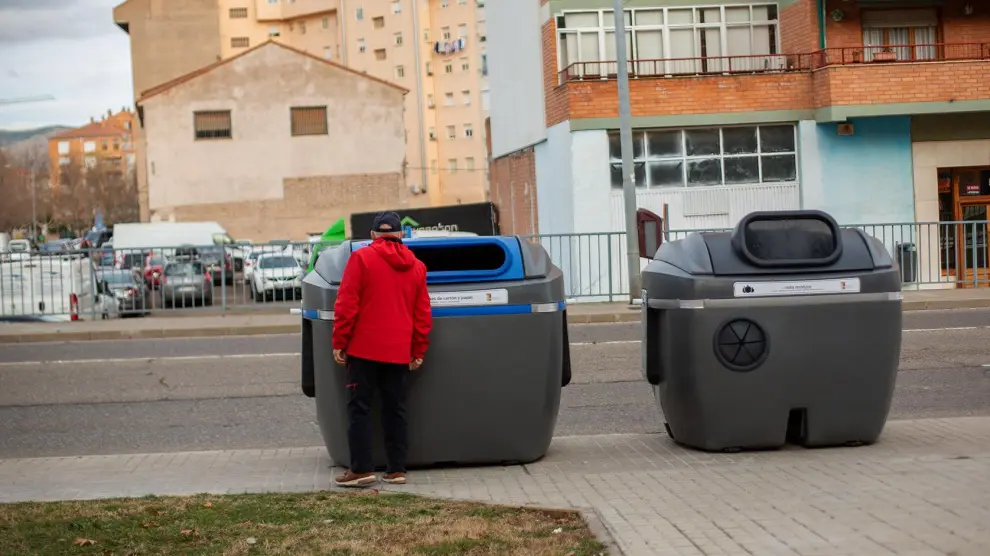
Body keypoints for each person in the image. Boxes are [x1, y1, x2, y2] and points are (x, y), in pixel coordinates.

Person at [331, 211, 432, 487]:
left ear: (373, 234)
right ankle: (396, 470)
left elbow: (346, 304)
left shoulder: (361, 258)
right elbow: (422, 313)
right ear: (400, 235)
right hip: (399, 351)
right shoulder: (417, 267)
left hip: (363, 349)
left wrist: (340, 341)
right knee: (395, 409)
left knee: (360, 408)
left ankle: (361, 470)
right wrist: (418, 349)